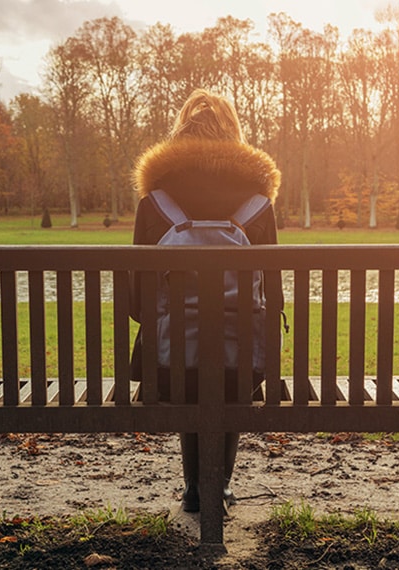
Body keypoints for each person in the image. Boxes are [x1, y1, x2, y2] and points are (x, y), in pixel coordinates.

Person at [130, 88, 283, 513]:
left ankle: (194, 487)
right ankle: (219, 486)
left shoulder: (154, 203)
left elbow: (134, 303)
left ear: (179, 134)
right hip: (242, 366)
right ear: (234, 134)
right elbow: (275, 297)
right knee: (227, 373)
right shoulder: (258, 204)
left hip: (167, 365)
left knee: (187, 365)